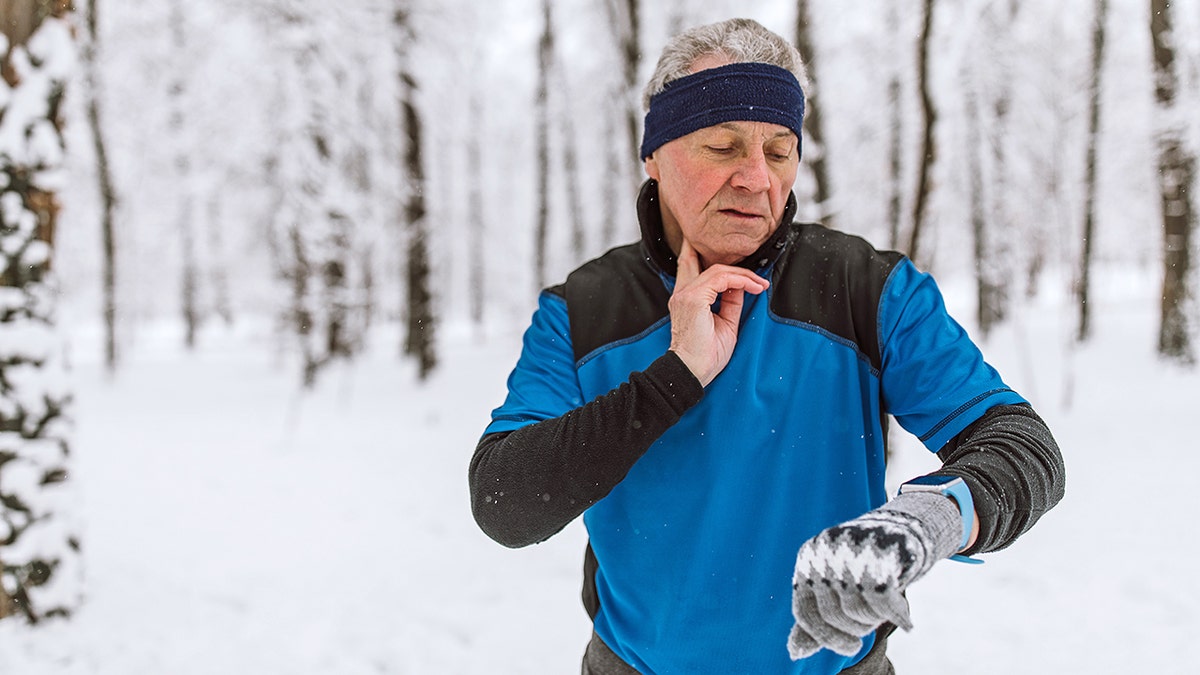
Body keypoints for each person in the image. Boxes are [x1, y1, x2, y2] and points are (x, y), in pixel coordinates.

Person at [469, 17, 1065, 674]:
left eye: (779, 151)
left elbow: (1020, 445)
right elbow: (505, 502)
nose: (757, 179)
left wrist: (929, 517)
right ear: (654, 154)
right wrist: (676, 376)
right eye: (723, 146)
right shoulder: (581, 311)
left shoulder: (868, 289)